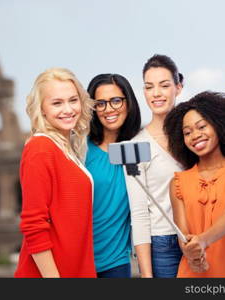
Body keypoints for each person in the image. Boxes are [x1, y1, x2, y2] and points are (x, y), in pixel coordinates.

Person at [164, 91, 225, 277]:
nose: (195, 136)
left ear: (218, 125)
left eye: (201, 127)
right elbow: (184, 236)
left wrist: (204, 241)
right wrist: (191, 252)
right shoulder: (177, 182)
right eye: (187, 132)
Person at [14, 68, 96, 278]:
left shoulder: (66, 148)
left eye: (73, 100)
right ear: (41, 109)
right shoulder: (40, 149)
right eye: (57, 103)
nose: (68, 109)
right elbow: (34, 225)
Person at [124, 54, 184, 278]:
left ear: (178, 87)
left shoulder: (195, 136)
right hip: (163, 246)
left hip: (202, 240)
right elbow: (138, 215)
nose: (156, 93)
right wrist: (147, 275)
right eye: (149, 87)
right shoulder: (134, 146)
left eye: (164, 85)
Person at [85, 73, 141, 278]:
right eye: (100, 103)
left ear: (128, 102)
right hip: (79, 260)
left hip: (116, 262)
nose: (109, 109)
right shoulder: (81, 150)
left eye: (116, 101)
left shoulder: (138, 148)